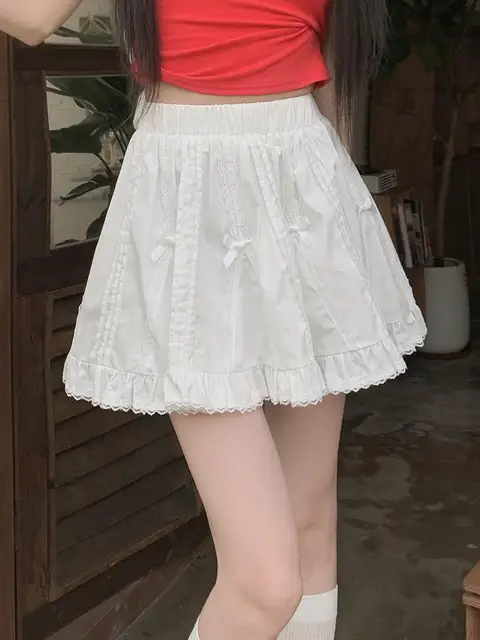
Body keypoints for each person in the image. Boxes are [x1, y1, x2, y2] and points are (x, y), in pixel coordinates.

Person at [1, 0, 427, 638]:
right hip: (188, 190)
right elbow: (31, 17)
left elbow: (332, 73)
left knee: (311, 525)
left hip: (305, 180)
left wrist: (335, 227)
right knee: (265, 584)